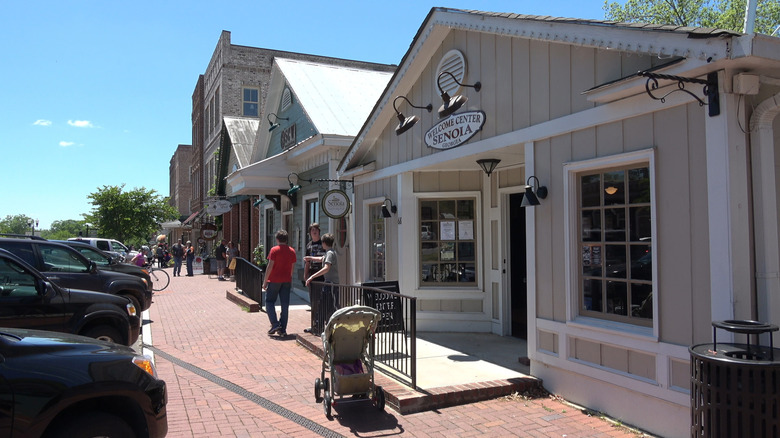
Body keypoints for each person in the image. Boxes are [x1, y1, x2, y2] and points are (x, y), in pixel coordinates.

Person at [262, 230, 296, 337]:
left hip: (274, 280)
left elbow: (270, 266)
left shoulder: (274, 250)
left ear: (277, 239)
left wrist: (265, 281)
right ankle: (283, 329)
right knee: (285, 305)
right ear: (286, 239)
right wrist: (289, 278)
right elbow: (292, 267)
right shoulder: (292, 251)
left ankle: (275, 324)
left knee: (269, 301)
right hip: (286, 280)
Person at [305, 233, 339, 319]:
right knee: (324, 305)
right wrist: (310, 258)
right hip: (327, 283)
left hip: (332, 284)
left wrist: (312, 277)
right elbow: (321, 259)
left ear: (324, 243)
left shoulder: (330, 253)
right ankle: (320, 325)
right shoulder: (328, 253)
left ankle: (335, 324)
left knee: (333, 306)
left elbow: (326, 268)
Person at [302, 223, 325, 333]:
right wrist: (305, 275)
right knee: (313, 301)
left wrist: (311, 258)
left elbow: (324, 259)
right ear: (310, 233)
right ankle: (314, 325)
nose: (314, 232)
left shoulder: (323, 244)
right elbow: (307, 261)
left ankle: (322, 325)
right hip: (312, 275)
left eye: (316, 230)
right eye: (312, 230)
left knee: (323, 301)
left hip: (322, 275)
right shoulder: (309, 245)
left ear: (319, 231)